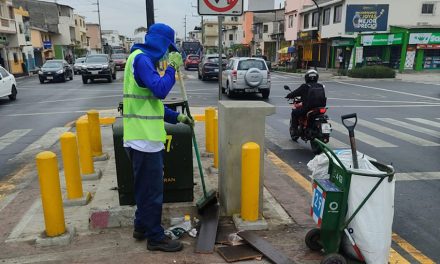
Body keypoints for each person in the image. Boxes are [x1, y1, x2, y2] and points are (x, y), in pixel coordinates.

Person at [123, 23, 193, 252]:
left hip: (143, 138)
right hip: (144, 140)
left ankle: (140, 227)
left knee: (144, 189)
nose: (167, 53)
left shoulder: (141, 59)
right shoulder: (142, 59)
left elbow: (152, 104)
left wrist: (177, 118)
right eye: (167, 48)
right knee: (152, 192)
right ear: (159, 43)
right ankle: (155, 237)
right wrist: (172, 68)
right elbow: (160, 90)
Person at [285, 69, 326, 138]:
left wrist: (288, 95)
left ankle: (294, 131)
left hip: (308, 108)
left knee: (294, 113)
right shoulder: (320, 86)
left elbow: (295, 93)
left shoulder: (305, 86)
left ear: (307, 78)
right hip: (320, 108)